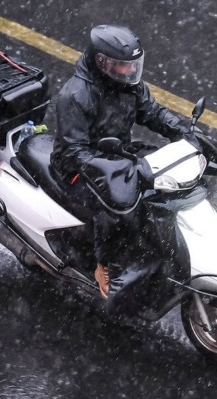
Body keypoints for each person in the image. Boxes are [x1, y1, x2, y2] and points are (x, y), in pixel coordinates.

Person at [50, 24, 192, 299]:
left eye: (131, 66)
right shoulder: (75, 96)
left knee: (164, 179)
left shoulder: (127, 85)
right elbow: (74, 151)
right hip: (78, 168)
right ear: (102, 62)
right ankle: (103, 265)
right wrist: (109, 168)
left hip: (116, 154)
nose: (129, 72)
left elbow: (151, 112)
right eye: (122, 65)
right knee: (117, 206)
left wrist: (183, 131)